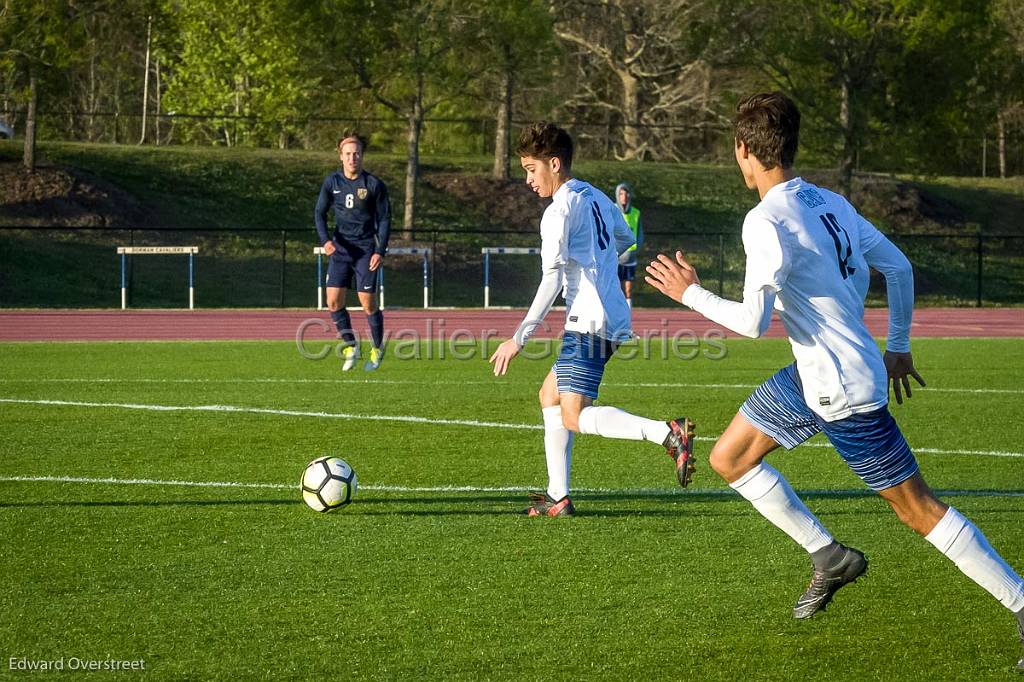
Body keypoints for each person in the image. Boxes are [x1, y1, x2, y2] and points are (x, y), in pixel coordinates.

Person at [645, 92, 1024, 670]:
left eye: (736, 150)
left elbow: (751, 323)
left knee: (918, 509)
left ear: (743, 150)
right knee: (729, 458)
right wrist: (896, 345)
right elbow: (899, 266)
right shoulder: (831, 203)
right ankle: (829, 556)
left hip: (841, 389)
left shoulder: (766, 219)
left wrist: (687, 293)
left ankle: (1020, 602)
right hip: (818, 371)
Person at [488, 121, 695, 517]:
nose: (528, 180)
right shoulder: (596, 195)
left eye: (532, 170)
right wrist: (596, 267)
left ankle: (667, 434)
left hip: (588, 320)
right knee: (549, 395)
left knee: (573, 415)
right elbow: (624, 239)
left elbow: (551, 278)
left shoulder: (557, 210)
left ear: (554, 163)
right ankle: (557, 497)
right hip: (611, 311)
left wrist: (519, 337)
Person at [315, 133, 391, 371]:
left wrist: (380, 250)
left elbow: (386, 219)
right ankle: (351, 346)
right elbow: (319, 213)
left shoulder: (374, 185)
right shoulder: (332, 182)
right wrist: (326, 241)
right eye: (348, 153)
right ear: (341, 156)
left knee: (367, 304)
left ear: (362, 156)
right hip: (340, 249)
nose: (352, 158)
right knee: (333, 302)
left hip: (366, 250)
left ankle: (377, 349)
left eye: (356, 153)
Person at [614, 182, 643, 308]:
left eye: (626, 194)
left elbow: (640, 235)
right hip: (616, 259)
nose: (624, 197)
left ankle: (628, 313)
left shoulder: (636, 213)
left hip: (630, 258)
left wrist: (636, 250)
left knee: (628, 290)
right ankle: (616, 312)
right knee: (616, 289)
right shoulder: (612, 210)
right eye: (621, 194)